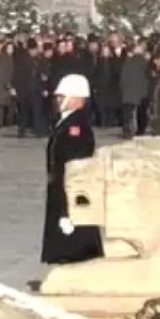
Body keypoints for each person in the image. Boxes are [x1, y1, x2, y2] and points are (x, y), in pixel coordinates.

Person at [40, 74, 105, 266]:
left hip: (69, 187)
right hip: (60, 185)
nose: (58, 101)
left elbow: (76, 163)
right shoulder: (66, 121)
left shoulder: (76, 126)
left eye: (62, 97)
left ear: (77, 99)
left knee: (73, 239)